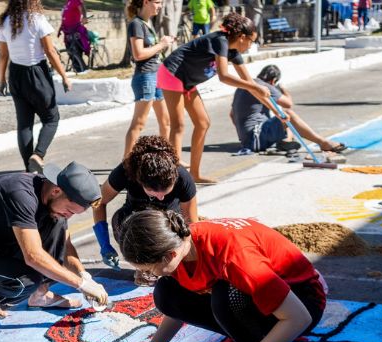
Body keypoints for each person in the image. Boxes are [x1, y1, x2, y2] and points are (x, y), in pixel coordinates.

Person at [116, 210, 327, 342]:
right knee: (166, 292)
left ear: (170, 255)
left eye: (150, 270)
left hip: (302, 300)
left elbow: (299, 317)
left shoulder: (234, 258)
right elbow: (182, 299)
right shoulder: (181, 244)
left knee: (226, 296)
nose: (148, 275)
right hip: (264, 297)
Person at [0, 162, 109, 318]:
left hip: (1, 245)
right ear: (56, 191)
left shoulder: (51, 197)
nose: (69, 216)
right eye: (69, 210)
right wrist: (80, 285)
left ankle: (40, 295)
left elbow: (65, 245)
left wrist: (84, 276)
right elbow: (33, 256)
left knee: (58, 223)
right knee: (28, 280)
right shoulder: (20, 194)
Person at [157, 13, 278, 184]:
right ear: (242, 37)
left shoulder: (234, 52)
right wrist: (255, 87)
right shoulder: (220, 41)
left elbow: (250, 84)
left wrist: (276, 112)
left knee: (203, 123)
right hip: (172, 73)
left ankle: (195, 174)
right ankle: (172, 177)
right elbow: (224, 76)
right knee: (178, 125)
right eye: (251, 41)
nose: (251, 45)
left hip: (187, 81)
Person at [93, 135, 198, 285]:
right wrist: (104, 242)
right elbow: (98, 202)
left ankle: (157, 264)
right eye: (153, 193)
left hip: (169, 224)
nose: (160, 198)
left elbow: (192, 226)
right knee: (122, 221)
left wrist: (184, 259)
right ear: (139, 180)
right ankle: (143, 267)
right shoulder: (126, 171)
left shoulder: (183, 178)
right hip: (136, 220)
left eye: (166, 192)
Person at [0, 0, 72, 173]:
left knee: (24, 124)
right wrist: (64, 76)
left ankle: (29, 169)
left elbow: (3, 55)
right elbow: (50, 51)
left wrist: (1, 80)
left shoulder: (6, 21)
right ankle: (38, 155)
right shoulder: (36, 19)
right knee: (52, 118)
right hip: (37, 73)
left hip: (16, 74)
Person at [230, 64, 347, 154]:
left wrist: (243, 136)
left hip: (249, 139)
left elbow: (232, 115)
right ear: (273, 80)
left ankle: (287, 140)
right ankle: (323, 143)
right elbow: (288, 104)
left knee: (283, 117)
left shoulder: (246, 85)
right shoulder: (265, 86)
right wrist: (282, 89)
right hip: (256, 138)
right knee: (287, 113)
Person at [124, 0, 173, 157]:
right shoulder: (136, 24)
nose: (160, 6)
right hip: (146, 77)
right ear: (146, 2)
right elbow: (138, 54)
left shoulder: (147, 23)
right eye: (157, 2)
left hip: (156, 76)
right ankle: (126, 163)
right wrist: (162, 44)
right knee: (139, 123)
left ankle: (167, 159)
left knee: (166, 122)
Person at [59, 0, 91, 65]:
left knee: (76, 52)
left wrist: (84, 17)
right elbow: (65, 16)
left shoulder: (75, 0)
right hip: (67, 31)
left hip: (75, 30)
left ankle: (81, 68)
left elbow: (82, 8)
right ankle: (79, 67)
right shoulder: (67, 2)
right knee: (70, 51)